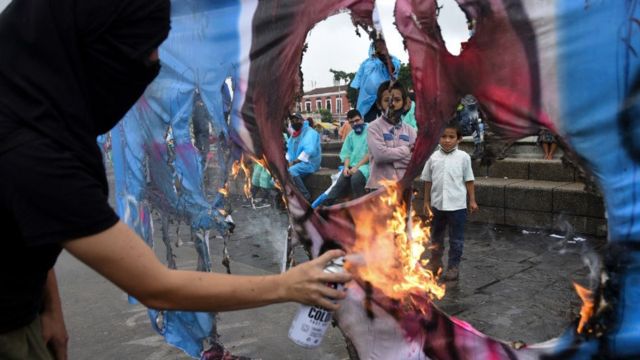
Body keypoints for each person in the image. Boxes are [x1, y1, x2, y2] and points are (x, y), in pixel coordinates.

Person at [0, 1, 350, 358]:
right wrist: (289, 285)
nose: (149, 73)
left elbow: (33, 231)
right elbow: (156, 285)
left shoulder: (32, 107)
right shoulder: (33, 155)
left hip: (24, 310)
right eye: (139, 56)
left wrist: (49, 310)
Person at [421, 122, 479, 282]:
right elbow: (427, 180)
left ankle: (454, 266)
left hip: (457, 206)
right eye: (443, 136)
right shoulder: (433, 157)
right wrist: (426, 201)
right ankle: (436, 262)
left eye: (451, 137)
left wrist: (472, 200)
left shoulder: (464, 158)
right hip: (437, 205)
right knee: (436, 237)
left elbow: (469, 180)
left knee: (456, 238)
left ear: (458, 139)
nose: (447, 140)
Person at [366, 81, 417, 191]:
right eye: (387, 100)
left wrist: (390, 158)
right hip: (379, 189)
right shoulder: (373, 127)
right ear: (379, 104)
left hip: (404, 188)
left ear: (404, 103)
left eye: (397, 100)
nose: (392, 104)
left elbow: (415, 161)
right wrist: (407, 149)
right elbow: (380, 156)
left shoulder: (411, 130)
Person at [323, 109, 369, 205]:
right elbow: (346, 153)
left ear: (362, 119)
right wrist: (346, 167)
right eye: (352, 122)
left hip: (367, 165)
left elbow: (371, 153)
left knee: (356, 179)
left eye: (357, 120)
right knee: (340, 181)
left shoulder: (371, 131)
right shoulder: (351, 135)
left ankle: (361, 207)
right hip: (353, 166)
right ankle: (325, 206)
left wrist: (357, 167)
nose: (355, 124)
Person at [351, 38, 401, 123]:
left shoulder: (392, 59)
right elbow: (358, 82)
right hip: (367, 101)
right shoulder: (365, 63)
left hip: (384, 97)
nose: (378, 48)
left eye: (381, 46)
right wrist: (357, 100)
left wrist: (384, 58)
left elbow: (393, 70)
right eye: (376, 46)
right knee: (369, 125)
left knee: (387, 122)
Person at [286, 113, 322, 201]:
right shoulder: (294, 135)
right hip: (297, 163)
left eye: (296, 120)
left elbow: (308, 151)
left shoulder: (310, 132)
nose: (294, 122)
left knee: (291, 171)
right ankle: (287, 198)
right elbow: (289, 151)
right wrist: (286, 162)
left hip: (310, 162)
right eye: (292, 121)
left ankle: (305, 196)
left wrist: (293, 162)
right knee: (279, 173)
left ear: (302, 120)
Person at [454, 94, 485, 160]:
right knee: (459, 123)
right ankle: (478, 148)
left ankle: (478, 147)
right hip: (461, 101)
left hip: (470, 102)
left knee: (472, 124)